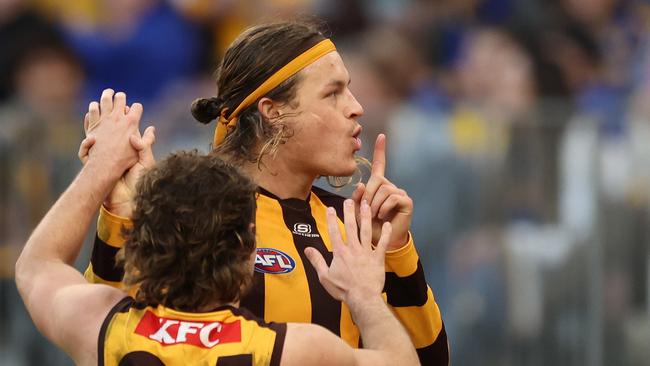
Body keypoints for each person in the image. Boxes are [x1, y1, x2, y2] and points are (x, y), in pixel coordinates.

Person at [83, 19, 449, 364]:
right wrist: (120, 213)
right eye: (333, 93)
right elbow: (110, 337)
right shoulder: (194, 213)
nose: (356, 108)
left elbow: (431, 360)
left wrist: (396, 252)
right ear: (272, 111)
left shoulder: (355, 223)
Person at [14, 92, 420, 365]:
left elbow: (36, 265)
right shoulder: (291, 350)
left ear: (139, 245)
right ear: (248, 253)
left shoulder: (100, 326)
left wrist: (102, 168)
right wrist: (364, 295)